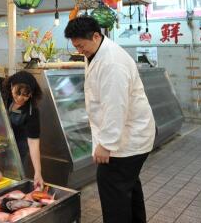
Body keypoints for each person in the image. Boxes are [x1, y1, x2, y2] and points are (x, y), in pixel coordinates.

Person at [64, 16, 155, 223]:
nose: (79, 50)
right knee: (128, 188)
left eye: (81, 45)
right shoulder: (97, 52)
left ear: (96, 36)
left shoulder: (112, 62)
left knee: (113, 191)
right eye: (76, 46)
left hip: (127, 140)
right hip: (129, 137)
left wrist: (106, 144)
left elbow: (116, 106)